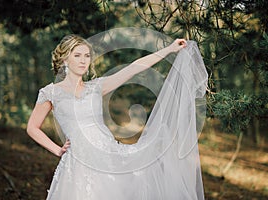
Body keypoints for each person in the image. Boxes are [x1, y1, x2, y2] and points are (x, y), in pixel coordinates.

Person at [27, 34, 207, 199]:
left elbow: (134, 67)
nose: (83, 61)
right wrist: (57, 149)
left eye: (87, 56)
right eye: (77, 55)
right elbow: (32, 127)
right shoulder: (50, 93)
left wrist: (169, 49)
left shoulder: (96, 87)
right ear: (65, 59)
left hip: (109, 159)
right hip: (77, 165)